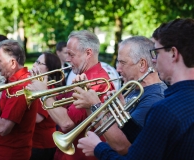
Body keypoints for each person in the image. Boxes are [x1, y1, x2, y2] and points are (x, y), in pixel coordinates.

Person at [77, 18, 194, 160]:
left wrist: (98, 148)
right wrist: (122, 113)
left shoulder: (164, 109)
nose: (154, 60)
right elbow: (147, 141)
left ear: (173, 54)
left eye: (156, 53)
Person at [26, 30, 114, 160]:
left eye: (71, 54)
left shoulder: (95, 81)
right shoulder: (85, 76)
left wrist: (43, 93)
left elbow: (66, 123)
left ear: (88, 53)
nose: (67, 59)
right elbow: (61, 103)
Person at [73, 36, 167, 154]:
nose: (117, 69)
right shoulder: (133, 88)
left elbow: (124, 146)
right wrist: (89, 104)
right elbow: (105, 129)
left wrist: (95, 105)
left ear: (142, 64)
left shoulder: (154, 97)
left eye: (123, 62)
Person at [30, 52, 63, 160]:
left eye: (39, 63)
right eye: (36, 61)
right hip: (35, 142)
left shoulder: (49, 89)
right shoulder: (39, 86)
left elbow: (38, 118)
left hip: (42, 145)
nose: (35, 65)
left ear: (49, 69)